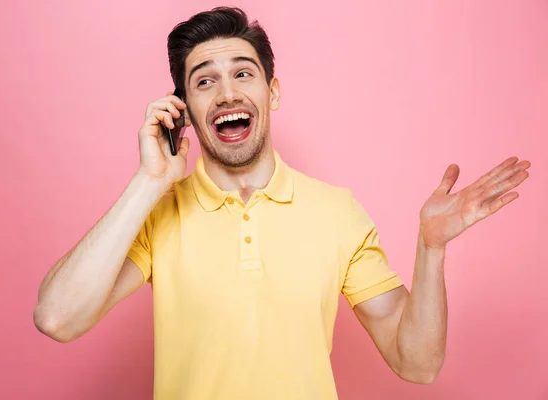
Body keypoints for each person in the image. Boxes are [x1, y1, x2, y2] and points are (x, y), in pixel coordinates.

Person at [33, 7, 531, 399]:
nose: (227, 93)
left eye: (243, 75)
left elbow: (417, 364)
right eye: (204, 81)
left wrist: (431, 248)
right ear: (184, 107)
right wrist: (149, 180)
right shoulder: (159, 212)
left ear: (272, 92)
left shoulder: (337, 212)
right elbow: (57, 318)